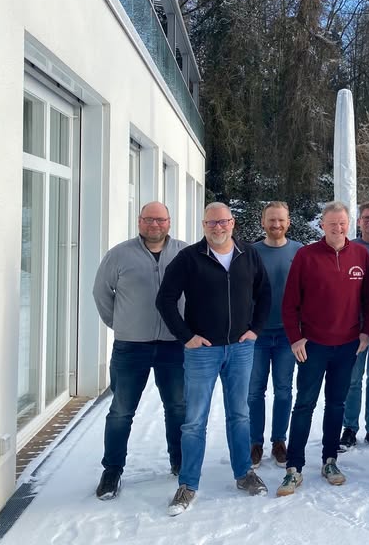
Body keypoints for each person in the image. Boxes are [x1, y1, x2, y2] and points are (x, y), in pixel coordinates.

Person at [156, 202, 271, 516]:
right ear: (203, 225)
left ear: (232, 223)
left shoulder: (249, 255)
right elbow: (165, 300)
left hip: (240, 349)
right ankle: (188, 484)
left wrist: (256, 329)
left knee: (240, 415)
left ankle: (244, 473)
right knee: (194, 421)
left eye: (223, 222)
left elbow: (265, 293)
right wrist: (186, 336)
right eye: (211, 223)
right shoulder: (189, 258)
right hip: (202, 351)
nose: (218, 227)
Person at [276, 202, 369, 495]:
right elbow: (289, 304)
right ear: (322, 225)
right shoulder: (306, 256)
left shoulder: (360, 255)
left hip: (347, 346)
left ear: (350, 224)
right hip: (313, 346)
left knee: (336, 404)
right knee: (304, 404)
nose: (338, 228)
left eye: (343, 223)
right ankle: (294, 468)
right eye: (332, 224)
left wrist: (366, 332)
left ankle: (329, 460)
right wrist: (296, 338)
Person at [92, 202, 188, 500]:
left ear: (169, 222)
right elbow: (101, 293)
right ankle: (112, 470)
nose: (154, 224)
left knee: (177, 407)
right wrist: (121, 323)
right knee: (121, 411)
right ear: (139, 221)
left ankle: (179, 461)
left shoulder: (185, 253)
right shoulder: (119, 255)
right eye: (149, 219)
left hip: (174, 344)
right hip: (131, 346)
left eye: (160, 219)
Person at [249, 201, 302, 469]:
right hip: (256, 334)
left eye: (281, 220)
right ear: (263, 222)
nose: (276, 224)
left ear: (288, 222)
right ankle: (254, 443)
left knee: (283, 391)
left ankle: (279, 441)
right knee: (254, 392)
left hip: (287, 335)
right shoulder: (250, 252)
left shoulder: (299, 252)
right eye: (271, 220)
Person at [339, 201, 369, 452]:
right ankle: (349, 427)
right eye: (366, 218)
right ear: (359, 222)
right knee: (353, 378)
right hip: (355, 324)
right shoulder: (350, 248)